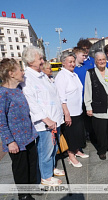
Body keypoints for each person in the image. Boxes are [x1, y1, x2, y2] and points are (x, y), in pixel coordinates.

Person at [21, 46, 64, 186]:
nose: (42, 61)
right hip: (45, 123)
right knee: (45, 150)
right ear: (31, 60)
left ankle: (50, 168)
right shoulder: (27, 78)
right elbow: (31, 102)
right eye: (40, 58)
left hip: (54, 119)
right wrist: (46, 119)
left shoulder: (41, 75)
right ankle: (45, 177)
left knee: (53, 148)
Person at [0, 58, 38, 200]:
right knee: (21, 169)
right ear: (11, 73)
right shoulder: (3, 93)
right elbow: (1, 120)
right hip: (16, 140)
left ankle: (29, 190)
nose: (23, 72)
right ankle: (23, 196)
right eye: (20, 70)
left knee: (31, 165)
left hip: (28, 136)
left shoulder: (18, 90)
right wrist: (9, 141)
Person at [84, 52, 108, 160]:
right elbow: (88, 91)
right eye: (99, 60)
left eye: (103, 59)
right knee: (100, 132)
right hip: (98, 108)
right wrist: (88, 107)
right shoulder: (90, 73)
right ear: (95, 61)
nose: (102, 61)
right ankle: (102, 150)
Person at [55, 53, 88, 168]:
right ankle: (71, 155)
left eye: (73, 61)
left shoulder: (73, 74)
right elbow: (61, 97)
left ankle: (77, 150)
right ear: (63, 63)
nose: (72, 64)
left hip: (77, 110)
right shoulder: (61, 76)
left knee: (78, 132)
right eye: (70, 62)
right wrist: (66, 113)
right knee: (71, 134)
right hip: (69, 112)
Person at [73, 46, 94, 142]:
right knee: (81, 120)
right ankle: (83, 136)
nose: (84, 58)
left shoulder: (86, 67)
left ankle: (90, 135)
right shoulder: (72, 70)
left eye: (85, 56)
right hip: (78, 99)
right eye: (82, 56)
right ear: (76, 55)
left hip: (87, 97)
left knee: (89, 118)